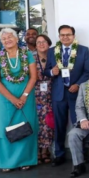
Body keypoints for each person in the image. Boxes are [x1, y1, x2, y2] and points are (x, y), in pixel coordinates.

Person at [0, 28, 39, 172]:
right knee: (6, 126)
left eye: (9, 37)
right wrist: (12, 99)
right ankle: (6, 162)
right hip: (5, 100)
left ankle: (26, 160)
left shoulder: (27, 54)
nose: (7, 40)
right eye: (4, 39)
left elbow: (33, 77)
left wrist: (23, 96)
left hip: (26, 98)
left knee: (26, 125)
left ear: (17, 39)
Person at [44, 25, 89, 167]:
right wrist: (52, 72)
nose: (65, 37)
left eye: (68, 35)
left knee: (79, 123)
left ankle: (82, 153)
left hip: (76, 92)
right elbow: (46, 71)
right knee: (59, 125)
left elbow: (88, 72)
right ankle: (59, 154)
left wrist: (77, 84)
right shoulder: (52, 51)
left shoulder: (83, 50)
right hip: (59, 93)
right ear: (59, 36)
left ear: (73, 36)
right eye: (62, 35)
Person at [32, 34, 54, 164]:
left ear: (49, 43)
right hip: (35, 94)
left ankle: (46, 150)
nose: (41, 44)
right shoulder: (31, 58)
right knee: (37, 123)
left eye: (44, 41)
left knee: (48, 123)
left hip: (51, 93)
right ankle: (37, 151)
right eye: (38, 42)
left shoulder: (54, 57)